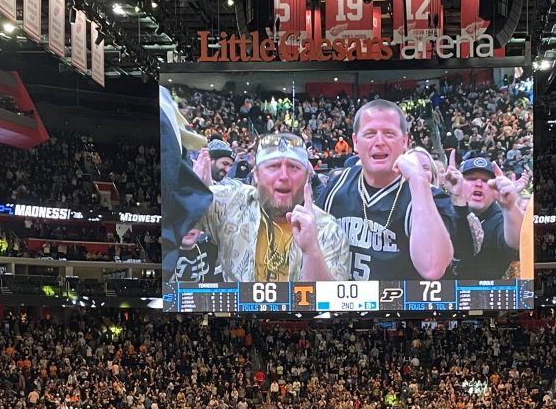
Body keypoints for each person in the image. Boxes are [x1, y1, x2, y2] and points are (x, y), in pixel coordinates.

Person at [315, 99, 455, 282]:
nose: (379, 141)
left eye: (389, 134)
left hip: (399, 300)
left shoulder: (429, 196)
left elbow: (433, 268)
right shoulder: (336, 186)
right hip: (344, 299)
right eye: (370, 134)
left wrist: (418, 181)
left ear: (404, 141)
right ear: (355, 142)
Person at [182, 132, 351, 282]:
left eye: (293, 167)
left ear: (307, 176)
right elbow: (173, 217)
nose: (283, 176)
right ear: (256, 174)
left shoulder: (328, 230)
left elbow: (331, 302)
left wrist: (312, 251)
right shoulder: (230, 203)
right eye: (273, 166)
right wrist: (193, 194)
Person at [444, 151, 529, 280]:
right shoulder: (444, 211)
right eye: (471, 178)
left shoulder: (501, 219)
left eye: (486, 180)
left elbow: (516, 242)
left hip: (487, 291)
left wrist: (510, 206)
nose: (478, 184)